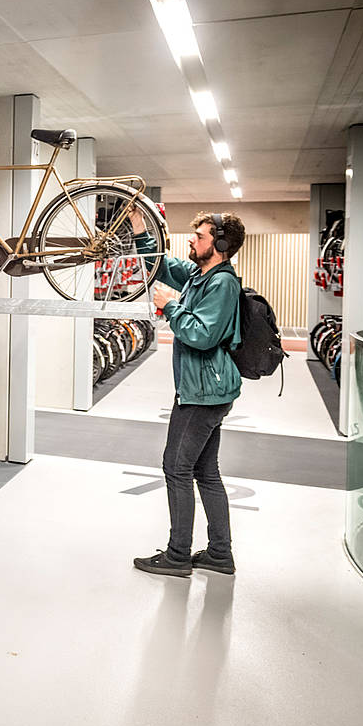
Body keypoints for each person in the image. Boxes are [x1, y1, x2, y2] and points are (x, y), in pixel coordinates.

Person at [129, 209, 245, 577]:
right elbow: (161, 265)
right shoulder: (200, 275)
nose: (192, 240)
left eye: (200, 236)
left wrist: (170, 305)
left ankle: (178, 555)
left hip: (202, 394)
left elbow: (201, 334)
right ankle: (219, 554)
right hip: (206, 389)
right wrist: (138, 226)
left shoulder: (222, 284)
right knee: (205, 471)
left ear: (221, 245)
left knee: (176, 468)